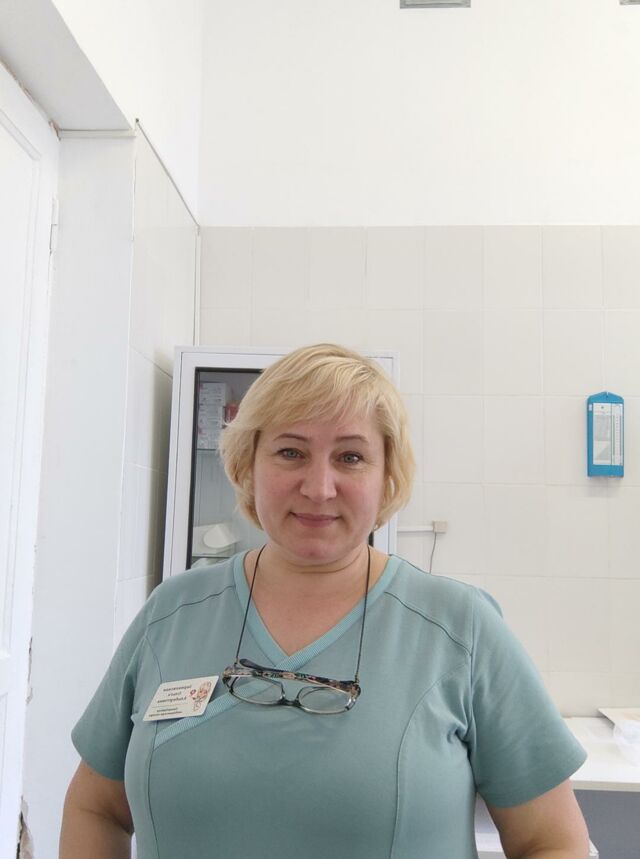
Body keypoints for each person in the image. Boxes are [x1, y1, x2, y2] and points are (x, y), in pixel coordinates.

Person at [61, 343, 590, 858]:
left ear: (387, 478)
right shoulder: (172, 613)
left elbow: (552, 841)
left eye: (350, 457)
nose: (319, 487)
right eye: (291, 452)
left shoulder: (460, 628)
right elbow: (96, 807)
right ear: (248, 464)